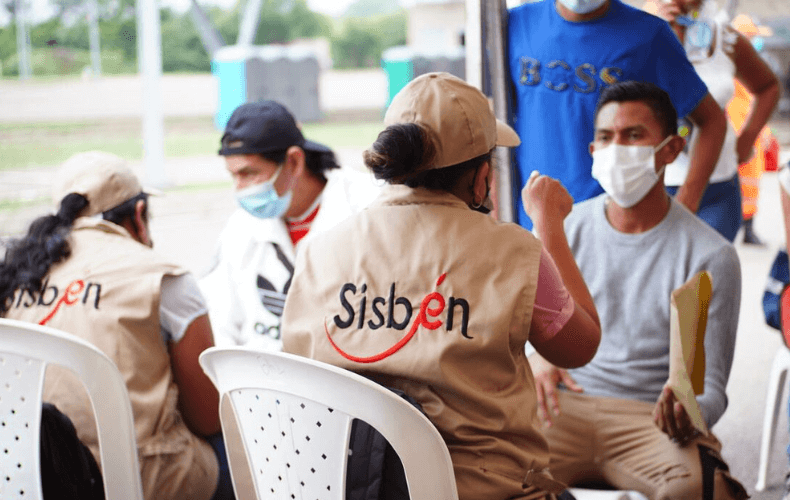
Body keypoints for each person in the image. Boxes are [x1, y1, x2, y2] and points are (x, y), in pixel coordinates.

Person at [281, 72, 602, 500]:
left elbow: (296, 374)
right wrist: (548, 226)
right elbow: (579, 347)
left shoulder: (319, 250)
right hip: (483, 491)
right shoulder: (513, 251)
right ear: (481, 177)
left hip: (346, 487)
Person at [528, 81, 746, 500]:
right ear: (592, 151)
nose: (617, 150)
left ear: (671, 149)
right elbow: (527, 328)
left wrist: (688, 410)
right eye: (606, 137)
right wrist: (536, 358)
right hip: (562, 409)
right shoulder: (564, 229)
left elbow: (709, 385)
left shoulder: (709, 255)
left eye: (633, 135)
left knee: (705, 490)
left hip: (650, 420)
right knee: (486, 472)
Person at [0, 151, 233, 500]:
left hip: (33, 474)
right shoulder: (164, 277)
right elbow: (206, 417)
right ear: (139, 214)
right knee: (236, 445)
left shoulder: (18, 270)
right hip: (139, 480)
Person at [507, 0, 727, 229]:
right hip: (530, 221)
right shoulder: (515, 24)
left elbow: (711, 120)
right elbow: (492, 123)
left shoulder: (649, 35)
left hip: (616, 225)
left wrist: (686, 204)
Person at [200, 100, 378, 351]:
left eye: (249, 173)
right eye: (234, 175)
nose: (240, 188)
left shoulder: (366, 209)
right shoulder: (241, 229)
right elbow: (220, 320)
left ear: (294, 162)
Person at [645, 0, 780, 242]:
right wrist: (661, 38)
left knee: (710, 266)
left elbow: (768, 86)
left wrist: (746, 140)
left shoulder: (723, 36)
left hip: (718, 186)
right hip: (652, 184)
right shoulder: (639, 31)